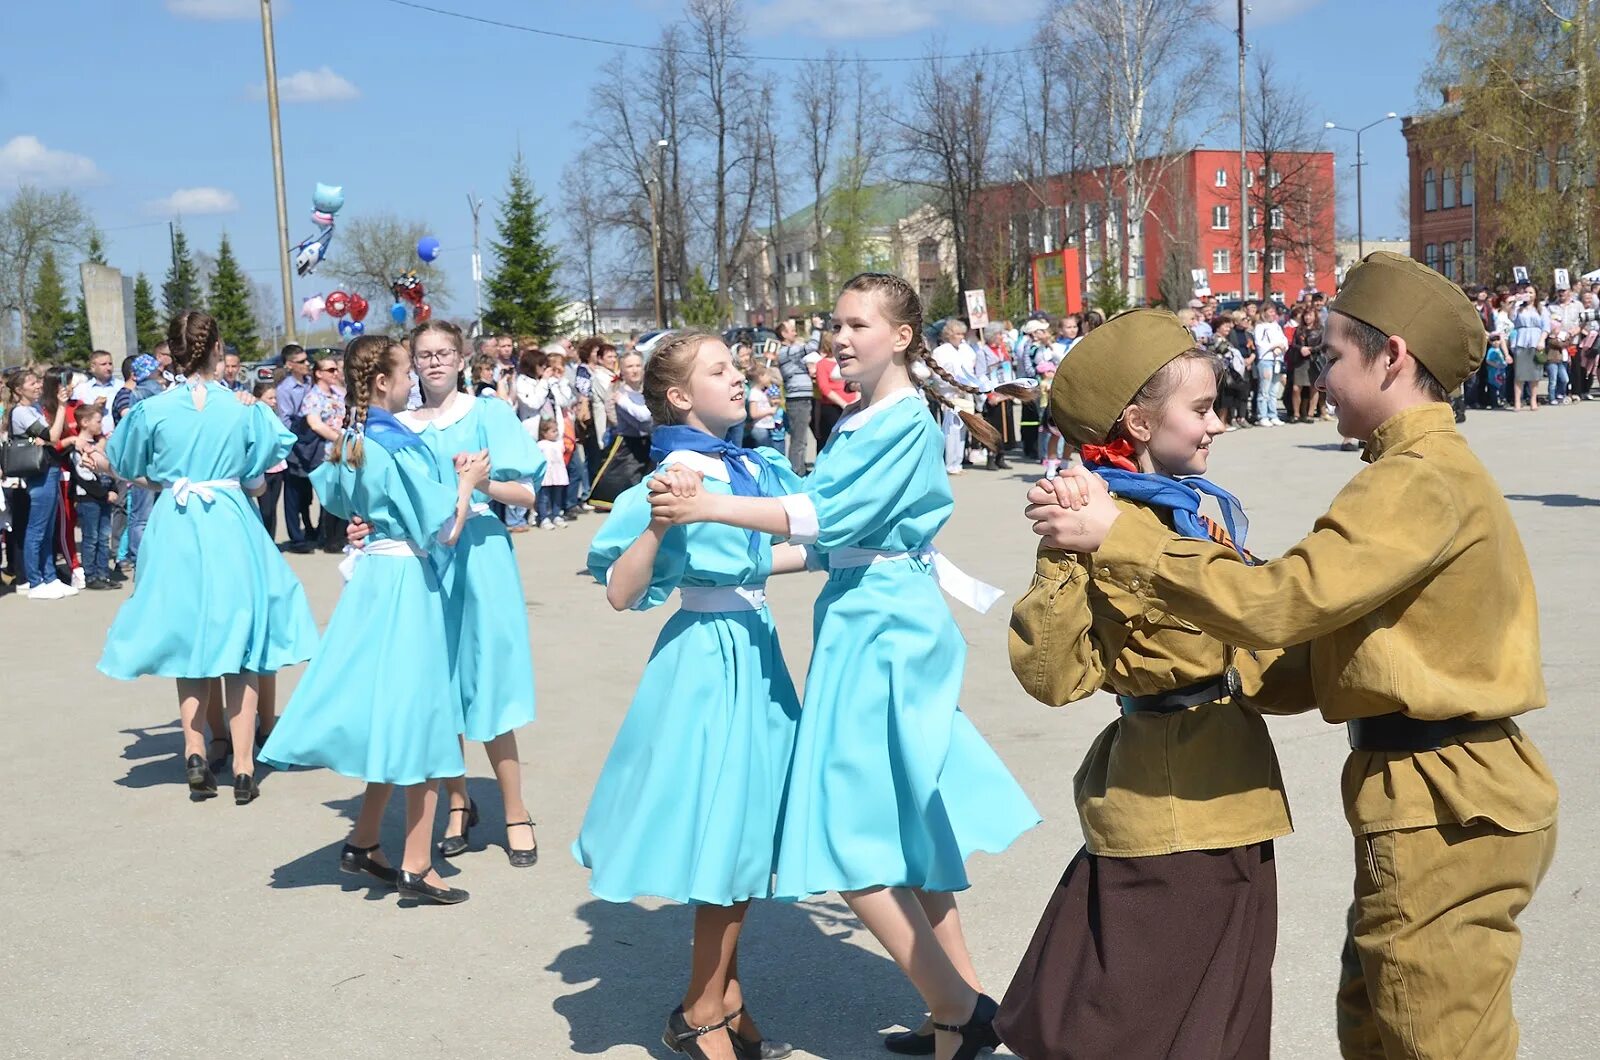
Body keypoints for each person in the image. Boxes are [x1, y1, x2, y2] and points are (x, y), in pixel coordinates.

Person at [1031, 252, 1559, 1060]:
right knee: (1382, 1021)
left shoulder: (1416, 480)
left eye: (1336, 355)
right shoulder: (1406, 474)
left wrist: (1124, 537)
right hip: (1425, 791)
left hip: (1447, 797)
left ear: (1393, 358)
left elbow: (1283, 604)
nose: (1322, 372)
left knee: (1434, 1036)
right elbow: (1321, 656)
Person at [647, 273, 1039, 1060]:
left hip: (883, 625)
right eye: (837, 322)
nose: (841, 335)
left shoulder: (895, 422)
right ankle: (955, 1011)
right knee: (906, 817)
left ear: (900, 337)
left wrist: (710, 508)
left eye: (858, 323)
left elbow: (827, 518)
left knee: (847, 833)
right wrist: (735, 570)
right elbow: (828, 544)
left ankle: (960, 1008)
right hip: (869, 611)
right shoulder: (868, 420)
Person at [997, 310, 1299, 1059]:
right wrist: (1062, 557)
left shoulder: (1203, 512)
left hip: (1238, 794)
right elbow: (1056, 676)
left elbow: (1255, 649)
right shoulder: (1103, 518)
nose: (1218, 425)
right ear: (1137, 421)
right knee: (1126, 1027)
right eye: (1201, 409)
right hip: (1165, 813)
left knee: (1226, 1017)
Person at [578, 330, 806, 1060]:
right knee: (724, 832)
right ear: (679, 397)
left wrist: (866, 555)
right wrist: (657, 522)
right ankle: (701, 1008)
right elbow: (620, 590)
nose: (739, 377)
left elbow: (771, 553)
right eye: (719, 370)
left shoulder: (752, 464)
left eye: (737, 366)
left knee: (743, 832)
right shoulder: (671, 474)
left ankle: (726, 997)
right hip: (705, 660)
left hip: (755, 646)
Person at [262, 334, 486, 905]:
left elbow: (339, 500)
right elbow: (443, 529)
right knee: (423, 715)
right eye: (406, 370)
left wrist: (370, 520)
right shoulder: (399, 444)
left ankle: (365, 842)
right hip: (408, 583)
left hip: (374, 581)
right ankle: (417, 862)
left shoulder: (358, 437)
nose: (413, 379)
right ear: (383, 381)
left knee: (395, 712)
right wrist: (465, 484)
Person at [98, 312, 319, 804]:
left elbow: (133, 468)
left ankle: (195, 750)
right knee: (240, 642)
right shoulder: (243, 409)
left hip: (176, 526)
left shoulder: (151, 410)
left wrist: (169, 474)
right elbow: (259, 479)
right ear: (217, 347)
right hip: (229, 522)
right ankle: (243, 766)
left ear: (173, 354)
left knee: (189, 640)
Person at [383, 320, 548, 868]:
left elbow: (525, 491)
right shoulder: (397, 426)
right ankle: (458, 802)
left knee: (489, 678)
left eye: (443, 352)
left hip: (479, 554)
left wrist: (478, 484)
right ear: (412, 362)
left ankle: (516, 810)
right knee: (439, 683)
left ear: (461, 358)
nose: (433, 362)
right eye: (423, 354)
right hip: (423, 561)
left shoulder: (488, 414)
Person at [3, 369, 74, 599]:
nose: (37, 386)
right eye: (32, 383)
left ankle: (50, 576)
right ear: (18, 390)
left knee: (48, 528)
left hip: (49, 469)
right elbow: (51, 436)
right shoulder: (21, 412)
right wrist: (62, 407)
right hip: (38, 473)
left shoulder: (33, 408)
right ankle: (35, 581)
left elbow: (49, 437)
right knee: (37, 528)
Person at [590, 351, 654, 511]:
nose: (635, 370)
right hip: (628, 449)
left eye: (638, 365)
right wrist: (624, 402)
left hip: (650, 445)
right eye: (630, 366)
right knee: (627, 493)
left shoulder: (649, 390)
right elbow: (644, 417)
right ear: (622, 370)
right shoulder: (619, 393)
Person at [70, 403, 120, 591]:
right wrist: (103, 493)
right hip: (89, 499)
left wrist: (113, 488)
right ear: (84, 422)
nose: (101, 425)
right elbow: (83, 477)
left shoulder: (98, 445)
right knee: (91, 538)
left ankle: (103, 573)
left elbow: (108, 468)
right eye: (98, 421)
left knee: (103, 537)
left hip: (105, 497)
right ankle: (90, 575)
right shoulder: (79, 447)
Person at [303, 355, 349, 554]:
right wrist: (338, 438)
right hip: (326, 452)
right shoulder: (313, 397)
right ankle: (330, 539)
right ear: (318, 374)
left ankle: (341, 536)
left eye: (336, 369)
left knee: (343, 494)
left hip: (344, 451)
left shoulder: (337, 393)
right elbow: (315, 423)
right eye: (330, 370)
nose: (335, 373)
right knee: (329, 497)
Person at [275, 344, 318, 552]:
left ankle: (310, 527)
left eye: (306, 360)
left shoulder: (311, 382)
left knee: (306, 491)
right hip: (295, 440)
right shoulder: (285, 389)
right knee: (292, 492)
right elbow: (285, 420)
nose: (306, 364)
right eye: (301, 362)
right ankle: (296, 537)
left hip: (313, 440)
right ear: (290, 365)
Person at [775, 317, 820, 474]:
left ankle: (799, 469)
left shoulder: (789, 352)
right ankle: (796, 473)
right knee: (799, 440)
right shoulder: (785, 352)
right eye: (792, 330)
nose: (795, 332)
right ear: (783, 333)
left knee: (803, 439)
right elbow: (812, 346)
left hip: (803, 398)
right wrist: (816, 328)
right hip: (798, 400)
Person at [812, 332, 855, 448]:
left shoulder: (847, 361)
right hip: (832, 408)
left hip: (853, 405)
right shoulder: (822, 364)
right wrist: (844, 404)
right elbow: (824, 388)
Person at [1509, 291, 1547, 412]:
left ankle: (1533, 400)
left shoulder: (1541, 309)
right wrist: (1515, 302)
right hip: (1521, 340)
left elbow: (1546, 327)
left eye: (1531, 292)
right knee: (1520, 373)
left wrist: (1541, 340)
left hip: (1536, 341)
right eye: (1526, 292)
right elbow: (1511, 319)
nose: (1528, 295)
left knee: (1535, 373)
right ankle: (1517, 401)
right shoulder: (1519, 308)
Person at [1251, 303, 1288, 426]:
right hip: (1266, 359)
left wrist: (1282, 347)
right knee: (1264, 389)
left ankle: (1273, 414)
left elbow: (1284, 340)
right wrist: (1274, 346)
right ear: (1264, 312)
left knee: (1274, 389)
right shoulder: (1260, 327)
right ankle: (1263, 415)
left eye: (1274, 312)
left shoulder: (1276, 326)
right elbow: (1260, 344)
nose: (1273, 314)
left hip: (1277, 359)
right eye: (1270, 311)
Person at [532, 417, 568, 529]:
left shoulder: (559, 443)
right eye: (553, 431)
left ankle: (556, 515)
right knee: (543, 497)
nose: (556, 433)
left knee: (557, 496)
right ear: (544, 433)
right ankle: (543, 518)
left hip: (558, 474)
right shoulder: (541, 445)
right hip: (546, 475)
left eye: (556, 430)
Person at [71, 350, 120, 426]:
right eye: (103, 364)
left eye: (110, 364)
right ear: (93, 367)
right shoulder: (81, 390)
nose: (108, 368)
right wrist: (94, 407)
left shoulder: (121, 386)